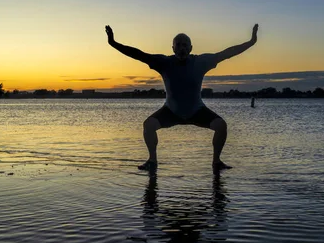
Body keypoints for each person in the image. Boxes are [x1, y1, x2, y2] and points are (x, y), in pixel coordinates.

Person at [105, 23, 259, 171]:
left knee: (221, 126)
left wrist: (251, 42)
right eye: (178, 45)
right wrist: (113, 43)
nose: (182, 48)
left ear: (191, 48)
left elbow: (226, 53)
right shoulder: (164, 62)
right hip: (171, 112)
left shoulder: (201, 62)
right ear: (173, 48)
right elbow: (139, 54)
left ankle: (216, 161)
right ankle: (152, 160)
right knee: (149, 125)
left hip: (197, 111)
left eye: (185, 45)